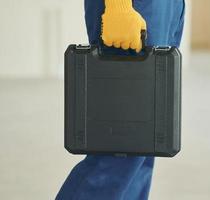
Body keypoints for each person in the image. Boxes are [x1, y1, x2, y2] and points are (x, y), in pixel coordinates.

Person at [56, 0, 185, 199]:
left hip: (167, 6)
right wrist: (119, 6)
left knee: (144, 146)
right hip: (137, 5)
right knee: (121, 147)